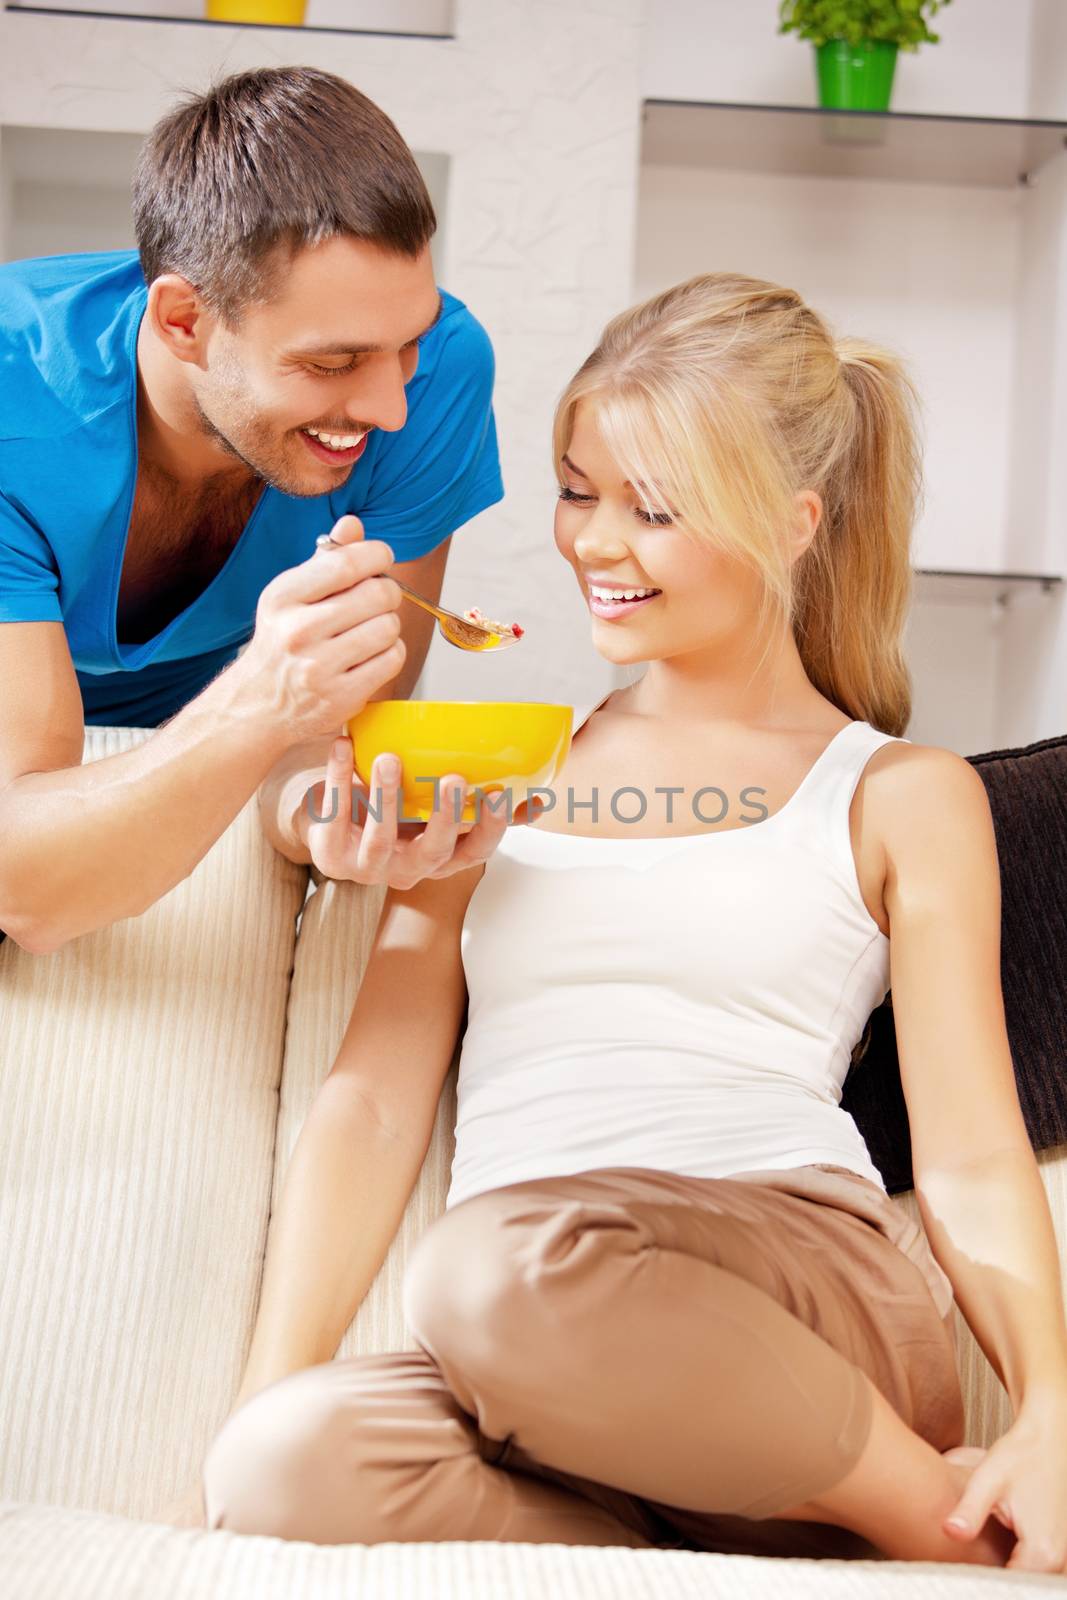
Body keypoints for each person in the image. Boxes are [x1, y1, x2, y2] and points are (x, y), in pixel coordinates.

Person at [188, 273, 1067, 1568]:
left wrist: (1048, 1407)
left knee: (492, 1270)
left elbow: (972, 1157)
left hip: (800, 1299)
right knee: (280, 1462)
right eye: (576, 488)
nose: (593, 543)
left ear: (788, 524)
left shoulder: (896, 795)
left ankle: (921, 1525)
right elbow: (370, 1102)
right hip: (550, 1363)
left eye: (651, 510)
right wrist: (266, 1382)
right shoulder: (487, 775)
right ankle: (727, 1547)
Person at [0, 66, 515, 957]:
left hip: (201, 765)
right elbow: (24, 885)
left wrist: (326, 820)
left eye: (408, 342)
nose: (391, 406)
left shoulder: (440, 376)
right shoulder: (17, 404)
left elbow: (335, 740)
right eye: (331, 363)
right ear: (183, 321)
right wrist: (263, 699)